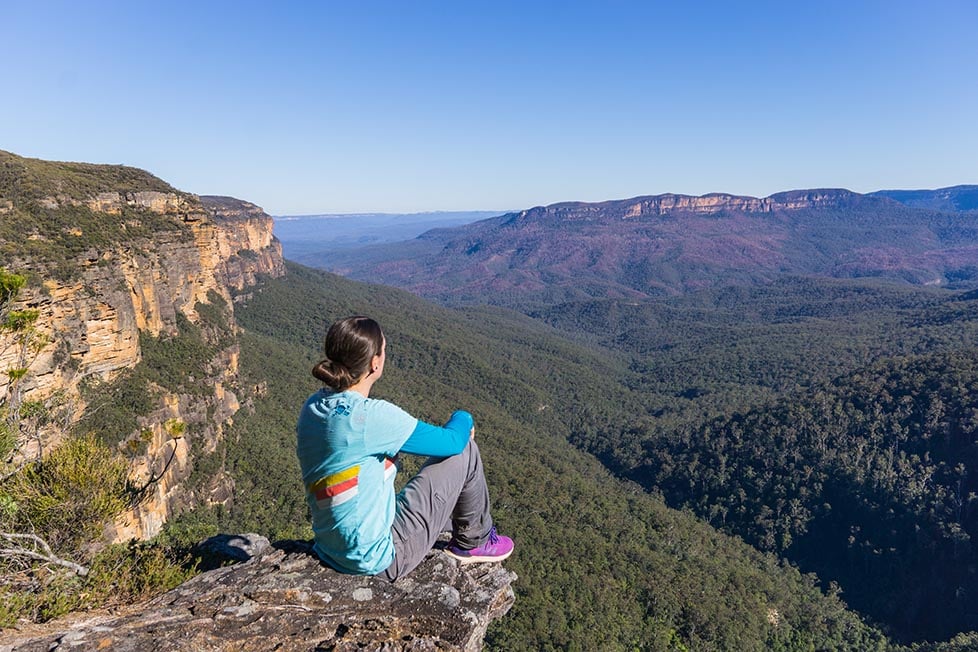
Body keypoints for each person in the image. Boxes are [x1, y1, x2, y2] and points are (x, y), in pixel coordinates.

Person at [296, 315, 514, 580]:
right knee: (466, 451)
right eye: (384, 350)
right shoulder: (372, 417)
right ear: (375, 363)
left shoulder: (313, 406)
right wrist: (463, 416)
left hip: (330, 547)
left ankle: (462, 527)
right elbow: (453, 442)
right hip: (380, 560)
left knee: (448, 508)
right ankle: (475, 542)